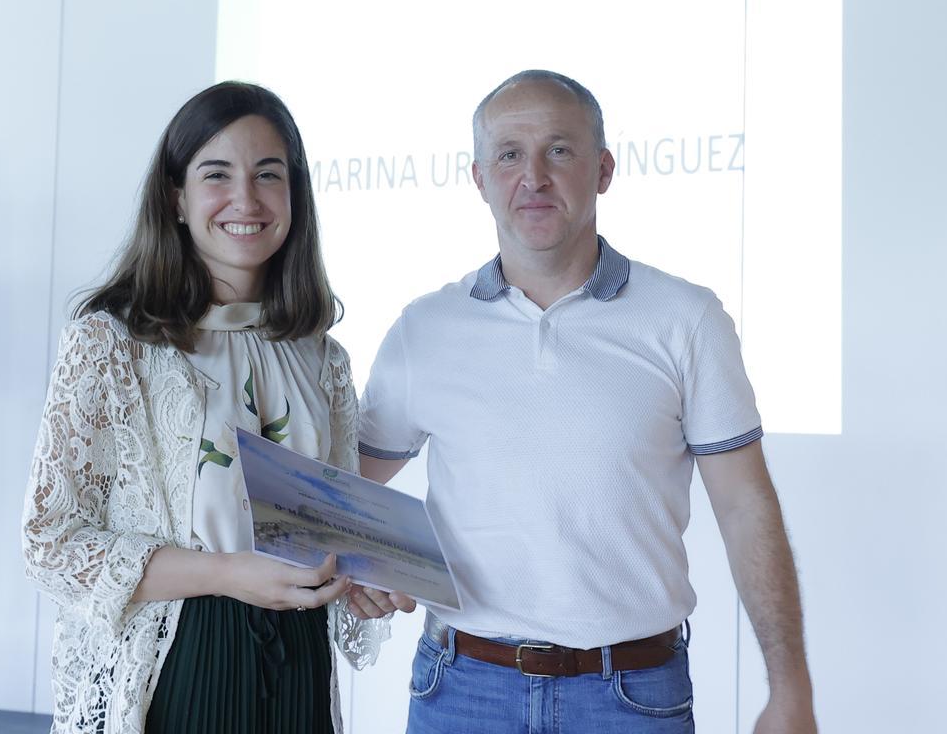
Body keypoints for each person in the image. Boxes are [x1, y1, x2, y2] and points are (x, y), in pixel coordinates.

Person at [348, 70, 817, 733]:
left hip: (630, 698)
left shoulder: (685, 319)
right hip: (461, 691)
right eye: (509, 153)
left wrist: (789, 688)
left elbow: (746, 507)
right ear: (480, 178)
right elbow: (346, 491)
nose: (533, 176)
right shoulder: (424, 330)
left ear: (603, 169)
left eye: (559, 150)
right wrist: (363, 565)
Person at [21, 81, 389, 734]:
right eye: (216, 174)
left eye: (268, 175)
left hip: (299, 660)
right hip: (179, 662)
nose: (245, 199)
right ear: (177, 199)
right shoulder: (109, 344)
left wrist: (363, 578)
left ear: (295, 197)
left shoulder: (322, 358)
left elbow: (330, 531)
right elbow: (52, 543)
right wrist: (225, 574)